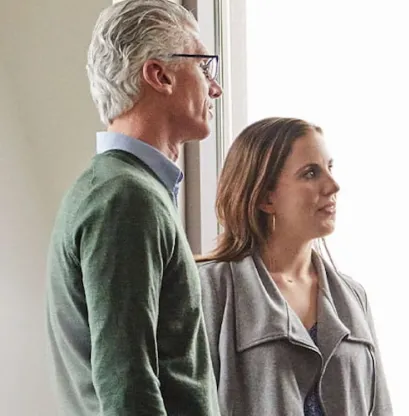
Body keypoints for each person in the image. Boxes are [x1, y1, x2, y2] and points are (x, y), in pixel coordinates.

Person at [45, 0, 224, 414]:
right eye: (204, 67)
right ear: (159, 75)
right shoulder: (125, 198)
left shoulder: (121, 188)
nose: (214, 88)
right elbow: (127, 384)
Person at [196, 117, 392, 416]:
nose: (333, 185)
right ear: (265, 197)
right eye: (310, 173)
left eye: (330, 168)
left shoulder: (354, 296)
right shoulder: (210, 289)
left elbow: (380, 408)